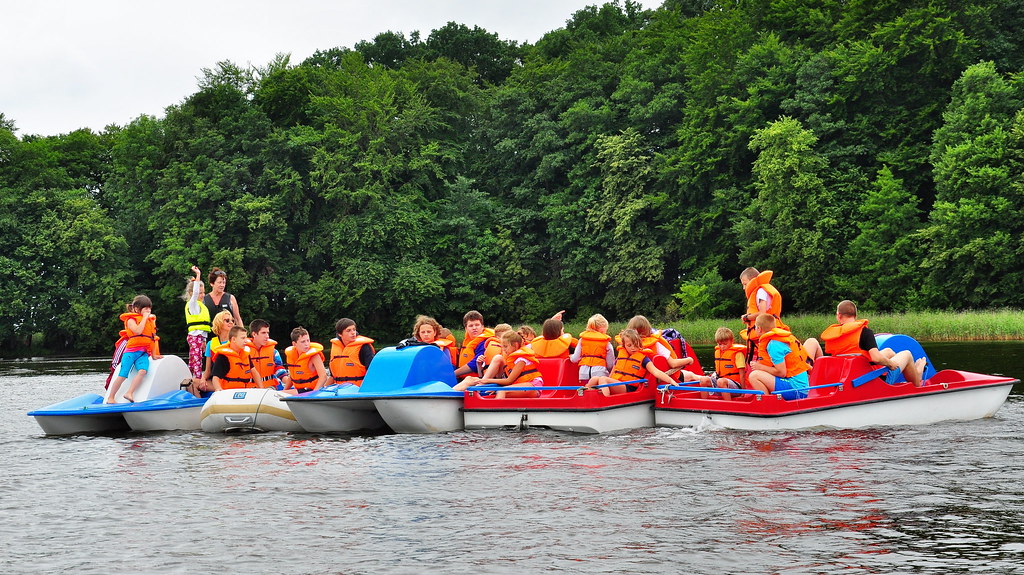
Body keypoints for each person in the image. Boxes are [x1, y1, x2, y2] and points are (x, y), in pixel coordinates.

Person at [802, 300, 928, 387]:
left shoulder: (833, 336)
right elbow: (875, 357)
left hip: (846, 376)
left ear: (838, 315)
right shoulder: (864, 332)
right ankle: (917, 378)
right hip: (868, 381)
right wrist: (891, 364)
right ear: (855, 315)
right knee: (907, 354)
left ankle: (905, 371)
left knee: (889, 351)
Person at [583, 329, 677, 397]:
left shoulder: (644, 359)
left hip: (629, 387)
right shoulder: (621, 356)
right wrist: (608, 380)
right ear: (624, 345)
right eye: (629, 345)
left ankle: (605, 401)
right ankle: (587, 397)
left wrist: (671, 381)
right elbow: (613, 373)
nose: (633, 348)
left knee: (603, 379)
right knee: (595, 379)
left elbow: (656, 372)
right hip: (617, 383)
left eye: (636, 345)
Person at [107, 295, 163, 403]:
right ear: (137, 308)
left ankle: (129, 393)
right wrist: (145, 318)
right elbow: (138, 331)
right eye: (145, 308)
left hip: (143, 353)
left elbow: (152, 338)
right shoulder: (131, 320)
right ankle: (111, 397)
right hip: (131, 352)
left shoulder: (149, 322)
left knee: (143, 371)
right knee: (123, 375)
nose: (148, 310)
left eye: (149, 308)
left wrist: (154, 354)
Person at [455, 331, 543, 398]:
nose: (503, 350)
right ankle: (449, 393)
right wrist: (480, 367)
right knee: (469, 379)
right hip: (516, 384)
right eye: (502, 346)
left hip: (533, 385)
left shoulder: (521, 360)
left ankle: (494, 417)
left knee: (501, 391)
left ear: (515, 345)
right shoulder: (508, 358)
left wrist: (487, 381)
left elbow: (509, 381)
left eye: (505, 346)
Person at [747, 313, 812, 400]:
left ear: (759, 329)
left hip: (797, 390)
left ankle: (768, 404)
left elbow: (781, 373)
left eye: (755, 327)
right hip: (800, 387)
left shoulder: (774, 345)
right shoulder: (782, 339)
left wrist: (760, 367)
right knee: (761, 373)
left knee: (754, 375)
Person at [625, 315, 693, 372]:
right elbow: (673, 364)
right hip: (656, 381)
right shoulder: (655, 344)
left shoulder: (625, 345)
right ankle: (700, 379)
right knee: (690, 375)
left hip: (633, 380)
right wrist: (689, 360)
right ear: (648, 330)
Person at [210, 326, 264, 391]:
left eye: (246, 338)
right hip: (228, 393)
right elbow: (215, 378)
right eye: (243, 338)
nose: (246, 341)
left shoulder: (245, 354)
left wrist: (262, 389)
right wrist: (219, 390)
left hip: (244, 392)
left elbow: (254, 373)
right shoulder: (223, 357)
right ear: (234, 339)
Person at [181, 265, 211, 380]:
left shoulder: (201, 306)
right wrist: (198, 275)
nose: (202, 295)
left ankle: (194, 381)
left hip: (199, 338)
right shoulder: (193, 304)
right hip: (194, 337)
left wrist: (204, 341)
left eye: (204, 293)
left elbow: (203, 329)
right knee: (196, 362)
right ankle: (197, 382)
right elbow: (195, 292)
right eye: (200, 293)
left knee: (196, 361)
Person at [329, 318, 375, 386]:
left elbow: (372, 373)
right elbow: (332, 376)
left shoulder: (364, 347)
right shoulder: (335, 348)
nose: (353, 333)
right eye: (348, 330)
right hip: (339, 390)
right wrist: (322, 389)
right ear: (340, 334)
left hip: (359, 389)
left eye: (354, 329)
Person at [570, 314, 615, 382]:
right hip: (599, 372)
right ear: (603, 329)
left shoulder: (582, 340)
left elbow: (575, 359)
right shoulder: (607, 343)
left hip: (583, 373)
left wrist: (570, 356)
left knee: (587, 390)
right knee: (599, 391)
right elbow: (610, 365)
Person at [283, 327, 329, 393]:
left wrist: (314, 394)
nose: (306, 344)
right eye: (303, 342)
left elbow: (323, 376)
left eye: (308, 340)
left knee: (279, 394)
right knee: (280, 393)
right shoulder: (291, 355)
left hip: (311, 390)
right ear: (294, 344)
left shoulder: (314, 356)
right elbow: (292, 377)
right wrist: (285, 390)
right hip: (300, 390)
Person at [454, 310, 495, 378]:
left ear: (482, 326)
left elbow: (474, 365)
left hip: (477, 379)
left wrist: (453, 374)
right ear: (466, 328)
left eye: (477, 325)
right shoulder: (467, 341)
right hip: (463, 378)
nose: (474, 328)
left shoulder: (485, 342)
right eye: (471, 326)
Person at [200, 311, 235, 387]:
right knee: (192, 384)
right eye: (227, 320)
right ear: (219, 323)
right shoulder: (211, 344)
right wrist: (203, 379)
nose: (231, 322)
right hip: (217, 381)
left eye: (232, 320)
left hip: (232, 381)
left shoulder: (235, 341)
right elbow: (208, 370)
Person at [248, 319, 286, 389]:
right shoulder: (245, 352)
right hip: (250, 389)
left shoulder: (274, 352)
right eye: (263, 333)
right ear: (254, 334)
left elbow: (279, 369)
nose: (267, 336)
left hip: (269, 388)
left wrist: (288, 380)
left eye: (267, 333)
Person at [711, 327, 746, 400]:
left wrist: (743, 391)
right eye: (720, 344)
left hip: (736, 386)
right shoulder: (718, 352)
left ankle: (728, 405)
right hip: (721, 382)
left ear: (732, 341)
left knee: (721, 381)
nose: (722, 347)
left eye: (725, 344)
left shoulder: (737, 354)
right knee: (703, 379)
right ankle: (705, 405)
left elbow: (742, 375)